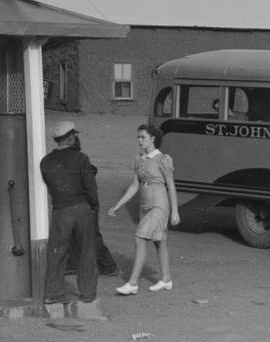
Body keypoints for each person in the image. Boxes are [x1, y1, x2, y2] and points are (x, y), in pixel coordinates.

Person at [108, 124, 180, 294]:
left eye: (143, 137)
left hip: (159, 204)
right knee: (158, 241)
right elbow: (134, 186)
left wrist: (175, 211)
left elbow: (171, 185)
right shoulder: (139, 159)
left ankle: (132, 284)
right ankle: (166, 279)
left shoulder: (163, 159)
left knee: (140, 238)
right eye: (138, 137)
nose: (139, 140)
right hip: (144, 205)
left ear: (153, 138)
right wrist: (118, 205)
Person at [39, 121, 100, 305]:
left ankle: (52, 293)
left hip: (60, 210)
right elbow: (91, 187)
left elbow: (50, 186)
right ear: (71, 137)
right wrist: (94, 206)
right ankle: (88, 294)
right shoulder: (81, 158)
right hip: (82, 208)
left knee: (57, 251)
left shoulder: (46, 161)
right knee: (87, 252)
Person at [66, 134, 118, 277]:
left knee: (91, 237)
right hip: (84, 204)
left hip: (84, 204)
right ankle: (75, 263)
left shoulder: (77, 162)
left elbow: (88, 189)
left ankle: (108, 265)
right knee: (79, 234)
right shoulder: (81, 161)